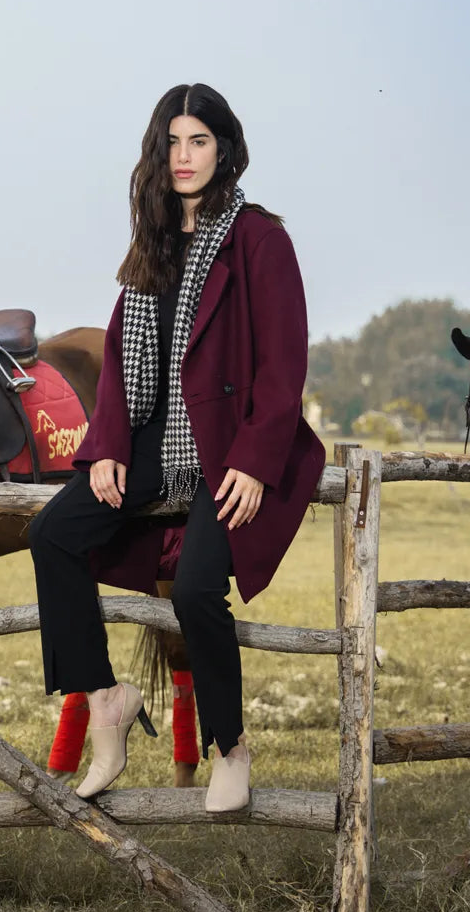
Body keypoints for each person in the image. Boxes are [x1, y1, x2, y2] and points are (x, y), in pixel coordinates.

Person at [28, 82, 325, 812]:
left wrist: (256, 460)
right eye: (172, 143)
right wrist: (106, 445)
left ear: (225, 149)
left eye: (198, 141)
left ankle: (231, 747)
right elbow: (119, 362)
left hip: (228, 453)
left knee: (194, 590)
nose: (184, 156)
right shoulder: (153, 242)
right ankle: (105, 699)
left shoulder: (258, 238)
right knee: (52, 534)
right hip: (148, 449)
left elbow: (283, 365)